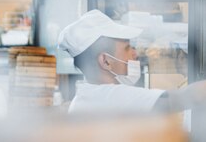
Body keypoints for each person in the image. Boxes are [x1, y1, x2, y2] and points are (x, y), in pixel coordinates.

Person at [58, 9, 206, 113]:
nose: (135, 54)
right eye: (128, 48)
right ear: (105, 61)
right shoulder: (109, 97)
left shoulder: (87, 98)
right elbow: (185, 98)